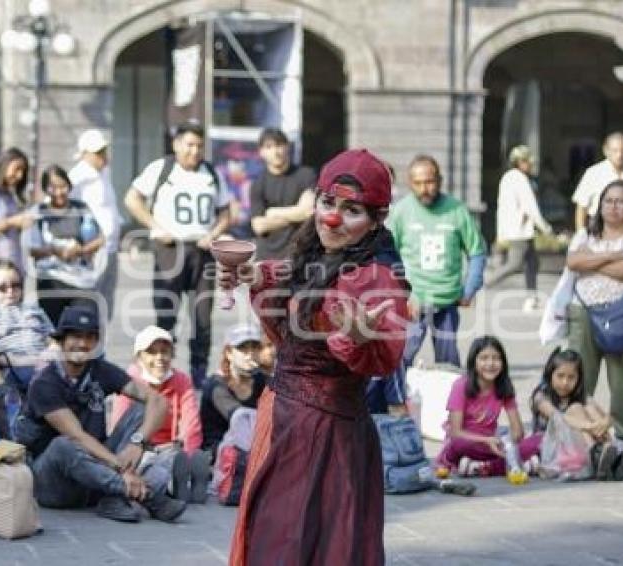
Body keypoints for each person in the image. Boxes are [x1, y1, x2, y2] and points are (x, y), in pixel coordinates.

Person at [219, 149, 410, 565]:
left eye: (351, 209)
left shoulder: (377, 276)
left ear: (377, 219)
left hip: (326, 436)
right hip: (282, 419)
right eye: (327, 203)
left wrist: (360, 337)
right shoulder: (315, 251)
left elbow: (386, 355)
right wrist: (249, 274)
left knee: (298, 546)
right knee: (276, 538)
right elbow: (285, 289)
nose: (333, 218)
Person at [14, 306, 186, 523]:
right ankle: (143, 495)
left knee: (143, 408)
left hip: (98, 468)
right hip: (54, 484)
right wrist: (119, 468)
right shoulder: (44, 383)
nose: (83, 344)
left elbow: (158, 401)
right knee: (63, 444)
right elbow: (77, 436)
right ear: (61, 340)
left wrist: (137, 443)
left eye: (89, 337)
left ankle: (112, 497)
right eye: (76, 336)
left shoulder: (99, 369)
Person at [124, 121, 232, 386]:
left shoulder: (211, 173)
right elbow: (132, 199)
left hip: (202, 250)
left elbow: (226, 212)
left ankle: (198, 374)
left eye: (199, 146)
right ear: (176, 144)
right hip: (170, 249)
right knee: (165, 314)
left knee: (202, 317)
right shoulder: (162, 169)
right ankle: (162, 372)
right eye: (189, 145)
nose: (194, 151)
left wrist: (215, 233)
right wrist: (154, 226)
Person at [385, 155, 486, 410]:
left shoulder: (457, 210)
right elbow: (387, 256)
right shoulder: (401, 212)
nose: (425, 188)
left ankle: (453, 414)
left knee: (449, 362)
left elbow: (477, 251)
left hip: (448, 301)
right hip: (412, 304)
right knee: (402, 356)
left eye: (430, 182)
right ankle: (397, 411)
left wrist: (470, 287)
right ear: (409, 183)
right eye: (418, 183)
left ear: (439, 180)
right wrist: (402, 294)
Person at [566, 179, 623, 469]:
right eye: (607, 201)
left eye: (620, 201)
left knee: (621, 381)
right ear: (599, 205)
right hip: (583, 313)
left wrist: (594, 261)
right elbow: (573, 262)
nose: (613, 207)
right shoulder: (584, 234)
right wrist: (611, 256)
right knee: (580, 380)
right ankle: (585, 438)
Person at [111, 325, 209, 503]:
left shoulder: (181, 380)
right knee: (155, 470)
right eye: (152, 352)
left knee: (174, 458)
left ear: (172, 355)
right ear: (140, 356)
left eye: (165, 352)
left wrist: (187, 452)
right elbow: (120, 423)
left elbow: (191, 423)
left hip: (171, 447)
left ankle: (185, 475)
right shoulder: (129, 380)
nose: (159, 358)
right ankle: (177, 484)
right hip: (139, 447)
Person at [436, 336, 538, 477]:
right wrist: (487, 441)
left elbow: (518, 431)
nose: (490, 364)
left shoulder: (503, 386)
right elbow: (455, 432)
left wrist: (507, 444)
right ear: (474, 362)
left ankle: (483, 467)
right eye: (483, 358)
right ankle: (516, 465)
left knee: (539, 439)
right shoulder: (461, 385)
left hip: (491, 446)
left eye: (496, 358)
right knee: (458, 444)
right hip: (467, 443)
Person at [530, 348, 623, 481]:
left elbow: (607, 417)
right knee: (576, 408)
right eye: (560, 376)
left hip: (577, 444)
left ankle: (609, 454)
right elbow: (557, 416)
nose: (565, 382)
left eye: (571, 377)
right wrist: (590, 426)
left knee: (589, 408)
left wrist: (603, 423)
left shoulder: (579, 395)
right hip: (551, 448)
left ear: (578, 379)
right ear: (550, 374)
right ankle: (598, 455)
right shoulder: (541, 396)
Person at [27, 164, 105, 325]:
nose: (58, 192)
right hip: (50, 281)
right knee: (54, 332)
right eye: (52, 187)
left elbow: (100, 239)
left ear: (69, 185)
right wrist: (55, 251)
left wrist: (81, 250)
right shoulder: (38, 212)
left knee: (84, 329)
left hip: (81, 281)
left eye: (62, 186)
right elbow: (30, 248)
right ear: (45, 189)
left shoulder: (81, 208)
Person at [485, 145, 553, 312]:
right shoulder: (519, 179)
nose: (531, 165)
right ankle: (482, 283)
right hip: (519, 231)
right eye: (528, 161)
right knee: (515, 264)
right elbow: (530, 207)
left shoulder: (509, 177)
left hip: (519, 229)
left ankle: (532, 298)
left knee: (532, 263)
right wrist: (545, 228)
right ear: (519, 162)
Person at [0, 258, 55, 389]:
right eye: (2, 288)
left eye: (16, 285)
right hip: (14, 365)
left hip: (45, 361)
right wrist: (20, 361)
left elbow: (53, 338)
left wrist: (50, 353)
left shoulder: (32, 308)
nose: (10, 291)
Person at [68, 129, 123, 320]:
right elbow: (68, 211)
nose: (103, 157)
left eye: (104, 151)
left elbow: (110, 207)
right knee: (91, 300)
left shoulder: (104, 173)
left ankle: (102, 343)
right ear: (84, 153)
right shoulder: (77, 176)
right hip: (93, 249)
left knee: (106, 302)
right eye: (97, 153)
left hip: (111, 247)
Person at [248, 128, 317, 260]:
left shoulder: (306, 175)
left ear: (287, 147)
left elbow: (308, 211)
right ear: (261, 152)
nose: (275, 152)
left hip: (300, 255)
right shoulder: (258, 183)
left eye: (279, 145)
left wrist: (273, 212)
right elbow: (259, 226)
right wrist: (297, 214)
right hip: (266, 258)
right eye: (269, 147)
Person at [199, 323, 267, 457]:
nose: (250, 354)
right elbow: (240, 418)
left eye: (255, 348)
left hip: (252, 445)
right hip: (218, 452)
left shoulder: (262, 380)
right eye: (243, 349)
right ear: (229, 353)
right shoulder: (216, 385)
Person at [572, 132, 623, 231]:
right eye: (615, 150)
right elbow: (581, 207)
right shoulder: (593, 173)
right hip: (599, 227)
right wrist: (580, 234)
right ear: (606, 151)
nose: (619, 155)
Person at [0, 147, 30, 270]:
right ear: (5, 165)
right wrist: (10, 222)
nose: (20, 176)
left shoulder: (12, 196)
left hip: (15, 266)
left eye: (23, 171)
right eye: (17, 169)